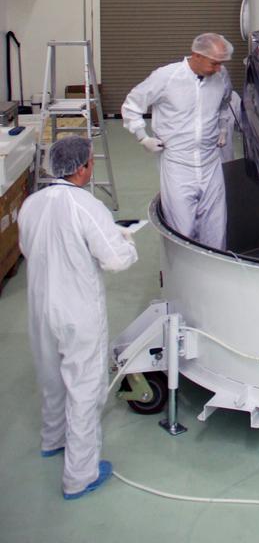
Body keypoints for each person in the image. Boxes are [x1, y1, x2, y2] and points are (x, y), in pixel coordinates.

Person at [18, 136, 138, 500]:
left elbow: (30, 247)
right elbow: (115, 260)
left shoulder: (32, 203)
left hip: (41, 306)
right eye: (91, 162)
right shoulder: (87, 206)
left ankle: (52, 439)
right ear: (83, 168)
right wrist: (127, 241)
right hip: (77, 310)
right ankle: (80, 476)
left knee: (51, 377)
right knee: (84, 389)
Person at [121, 32, 233, 249]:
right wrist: (142, 137)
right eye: (214, 63)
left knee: (216, 227)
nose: (219, 68)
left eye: (221, 63)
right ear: (197, 55)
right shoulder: (167, 77)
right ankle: (183, 268)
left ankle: (212, 268)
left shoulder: (220, 76)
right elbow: (132, 105)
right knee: (182, 229)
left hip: (210, 161)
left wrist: (222, 128)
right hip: (178, 164)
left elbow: (224, 102)